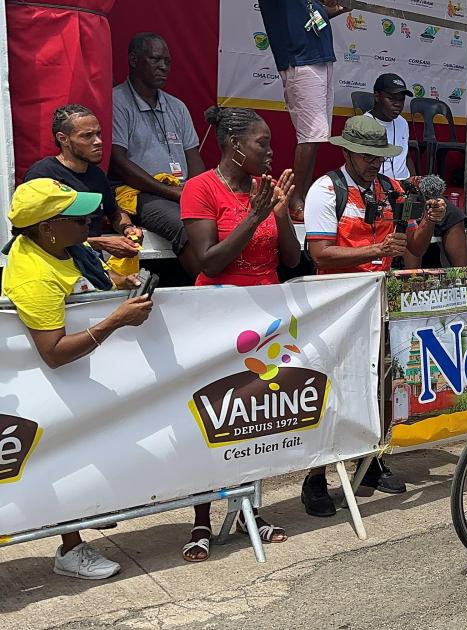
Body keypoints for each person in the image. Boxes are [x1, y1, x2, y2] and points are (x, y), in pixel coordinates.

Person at [2, 179, 152, 579]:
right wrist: (115, 320)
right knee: (57, 462)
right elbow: (53, 353)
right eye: (78, 217)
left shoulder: (67, 248)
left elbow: (89, 285)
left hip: (85, 382)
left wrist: (119, 287)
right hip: (53, 387)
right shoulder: (34, 276)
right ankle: (71, 550)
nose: (90, 221)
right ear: (47, 226)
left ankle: (90, 512)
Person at [179, 106, 299, 560]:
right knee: (211, 422)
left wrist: (280, 213)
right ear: (233, 145)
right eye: (261, 143)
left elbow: (290, 260)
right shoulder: (200, 188)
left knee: (253, 424)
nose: (270, 152)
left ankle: (251, 507)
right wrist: (254, 214)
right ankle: (201, 520)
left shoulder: (265, 191)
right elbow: (209, 260)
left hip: (265, 326)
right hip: (216, 322)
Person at [300, 115, 423, 515]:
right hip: (336, 306)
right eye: (368, 155)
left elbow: (411, 248)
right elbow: (319, 253)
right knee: (329, 391)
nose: (374, 162)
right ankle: (314, 478)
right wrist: (376, 251)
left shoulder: (391, 189)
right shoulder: (325, 189)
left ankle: (369, 463)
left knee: (377, 385)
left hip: (380, 302)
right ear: (348, 151)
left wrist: (431, 221)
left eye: (380, 155)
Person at [109, 33, 205, 276]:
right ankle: (210, 291)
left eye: (167, 61)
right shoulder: (117, 101)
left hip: (180, 191)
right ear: (133, 60)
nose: (163, 66)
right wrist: (172, 192)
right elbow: (118, 162)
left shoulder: (177, 106)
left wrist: (197, 191)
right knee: (186, 225)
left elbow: (193, 156)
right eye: (155, 59)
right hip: (141, 193)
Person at [257, 0, 349, 216]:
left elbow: (313, 14)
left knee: (316, 135)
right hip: (299, 60)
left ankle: (303, 195)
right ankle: (294, 199)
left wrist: (338, 9)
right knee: (310, 135)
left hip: (321, 58)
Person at [25, 105, 140, 260]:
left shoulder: (97, 175)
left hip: (92, 266)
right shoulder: (42, 175)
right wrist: (100, 243)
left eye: (98, 133)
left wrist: (128, 228)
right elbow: (37, 236)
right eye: (87, 136)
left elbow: (114, 212)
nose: (98, 141)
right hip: (57, 266)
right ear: (63, 139)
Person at [364, 73, 415, 182]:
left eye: (401, 100)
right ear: (377, 96)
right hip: (379, 187)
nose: (398, 104)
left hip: (404, 185)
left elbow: (406, 156)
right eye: (392, 98)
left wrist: (414, 182)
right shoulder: (364, 124)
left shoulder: (402, 122)